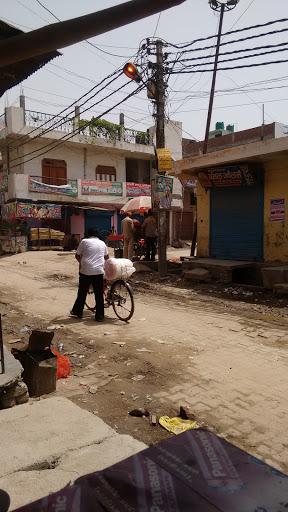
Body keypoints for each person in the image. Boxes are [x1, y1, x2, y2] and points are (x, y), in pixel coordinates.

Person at [70, 227, 109, 322]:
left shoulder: (84, 242)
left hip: (86, 271)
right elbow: (107, 257)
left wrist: (82, 263)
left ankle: (78, 311)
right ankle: (100, 316)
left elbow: (77, 255)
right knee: (99, 294)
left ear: (88, 234)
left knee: (82, 292)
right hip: (99, 271)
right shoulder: (102, 243)